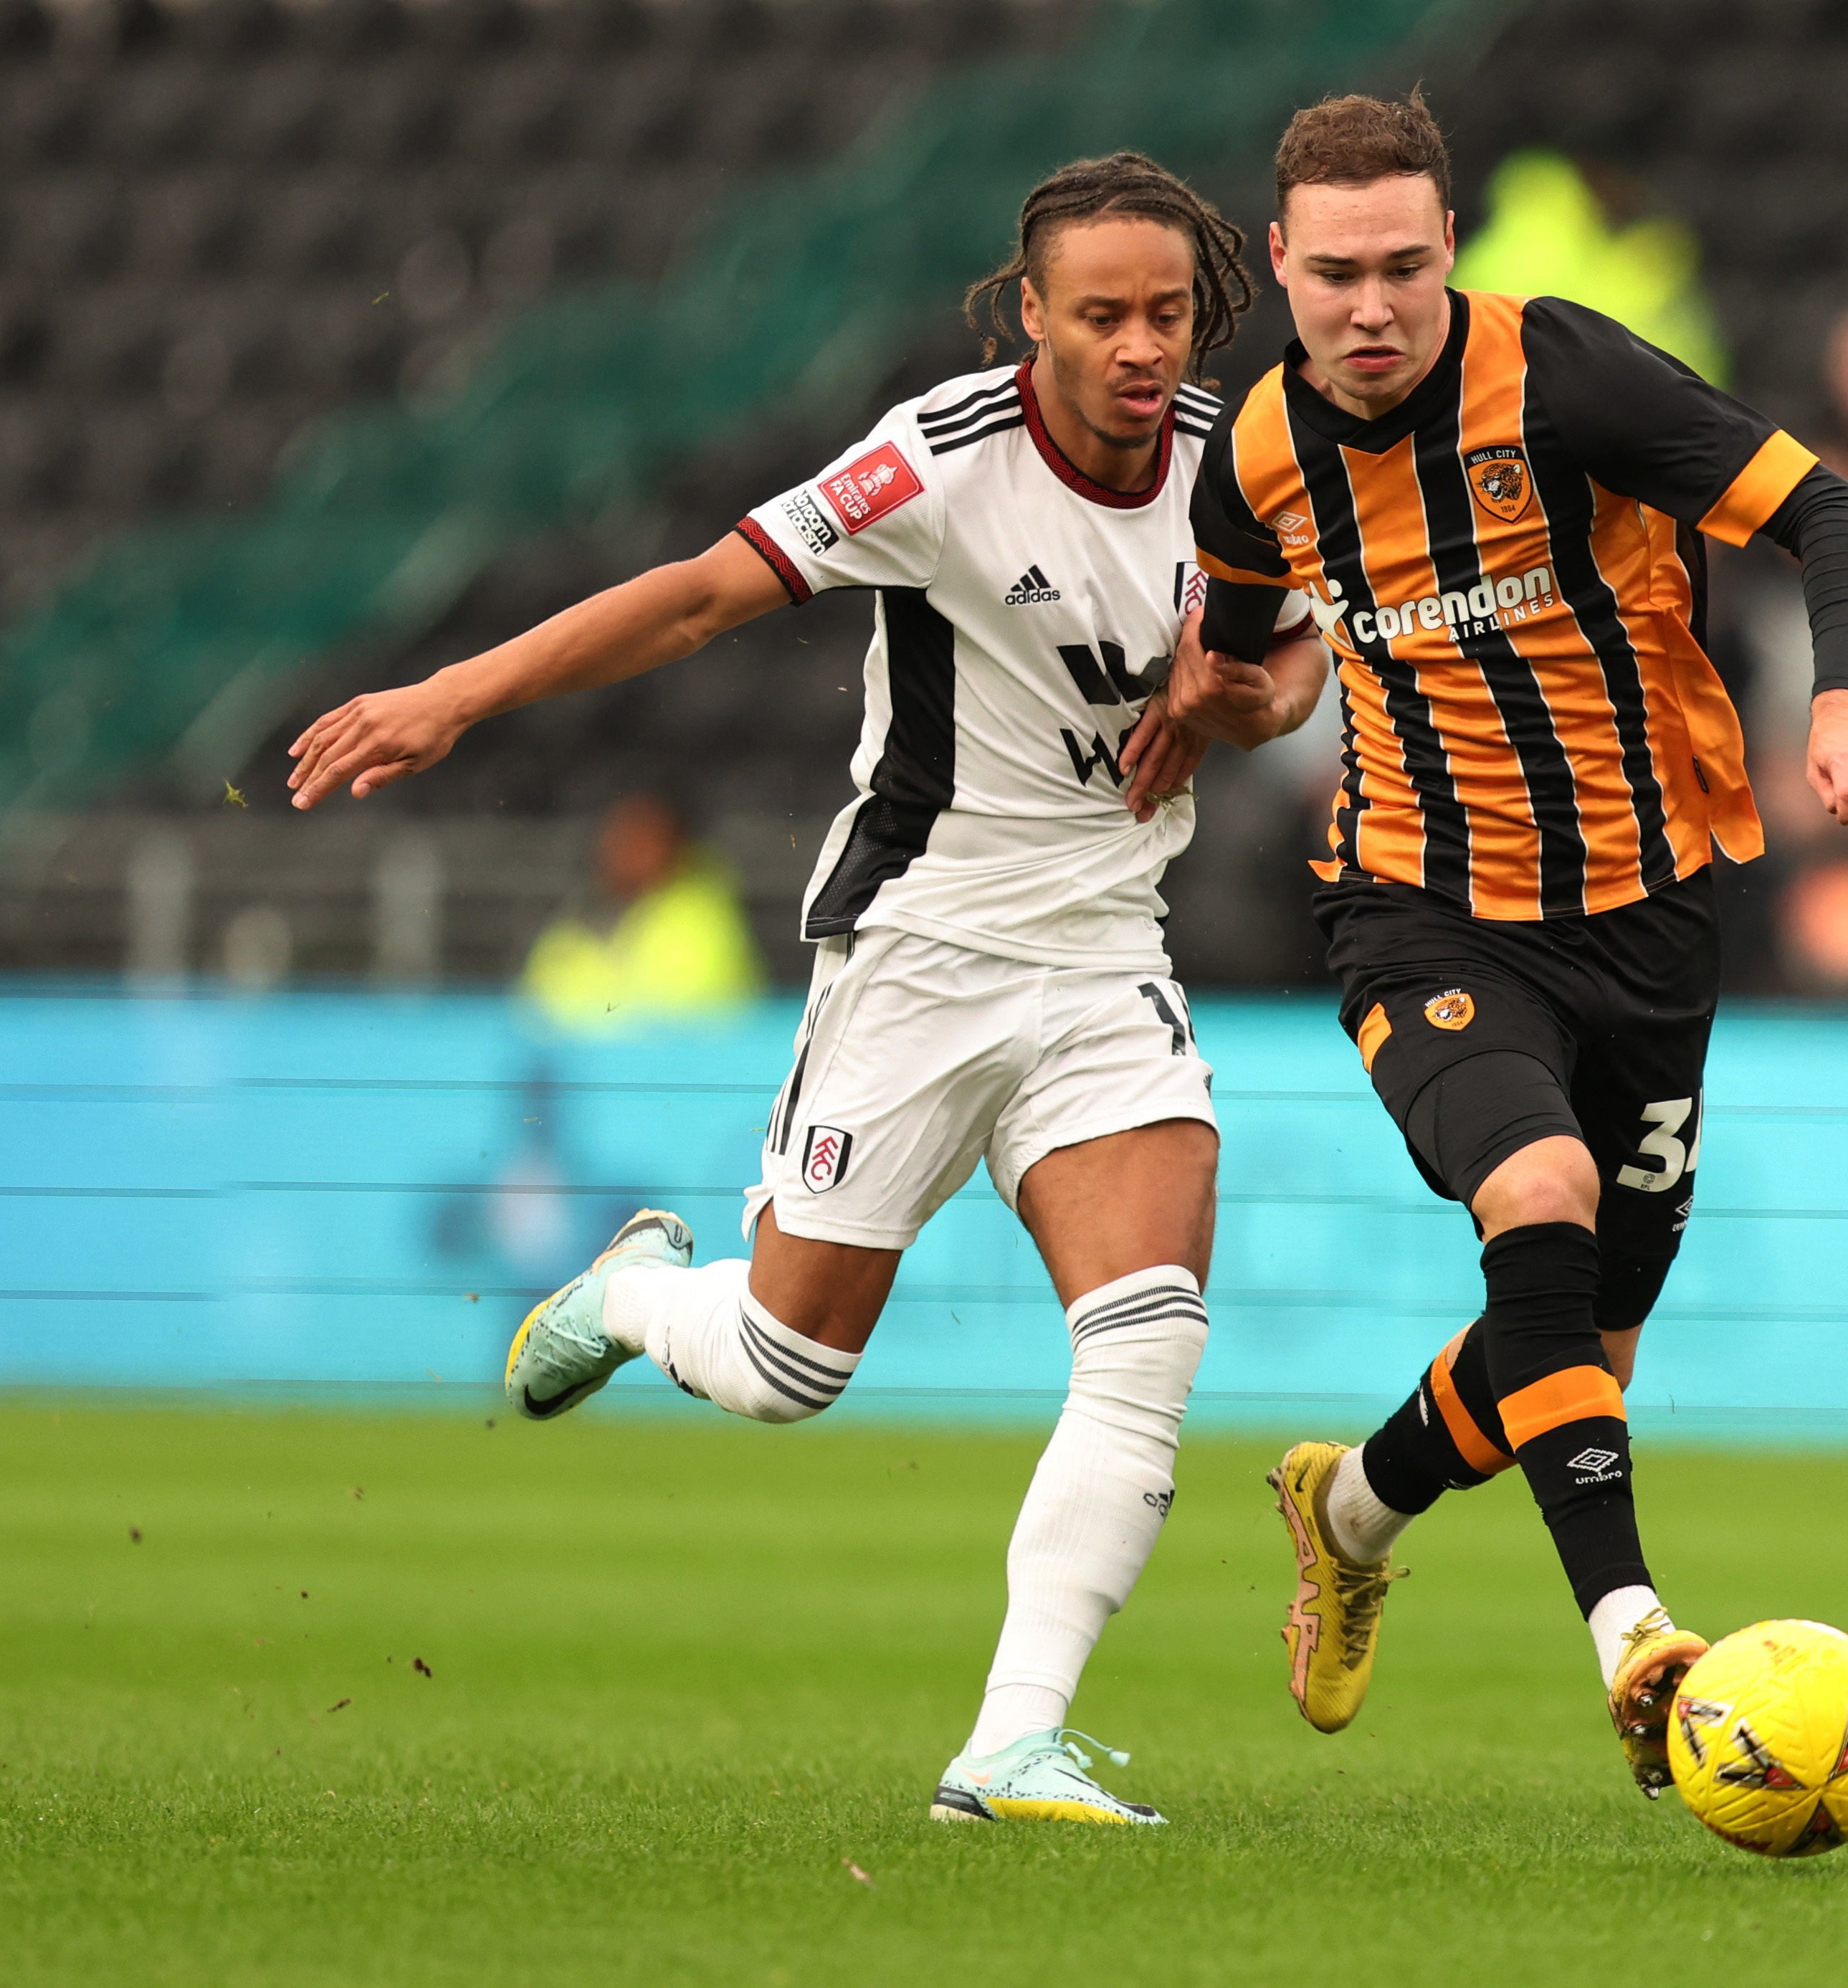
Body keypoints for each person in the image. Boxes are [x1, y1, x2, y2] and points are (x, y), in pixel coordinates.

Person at [282, 154, 1328, 1827]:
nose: (1144, 346)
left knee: (1148, 1338)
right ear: (1032, 318)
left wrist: (1242, 709)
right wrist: (458, 695)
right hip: (916, 950)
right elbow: (701, 595)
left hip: (1104, 952)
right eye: (1104, 315)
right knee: (786, 1369)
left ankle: (1009, 1740)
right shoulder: (938, 460)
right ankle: (632, 1292)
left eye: (1171, 314)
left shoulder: (1246, 464)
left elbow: (1290, 658)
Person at [1164, 90, 1848, 1800]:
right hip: (1417, 900)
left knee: (1571, 1345)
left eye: (1404, 269)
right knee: (1539, 1201)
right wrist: (1211, 705)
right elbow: (1250, 650)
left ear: (1448, 257)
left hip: (1649, 908)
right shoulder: (1256, 452)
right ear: (1278, 264)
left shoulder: (1566, 377)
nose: (1369, 307)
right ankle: (1634, 1635)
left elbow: (1833, 519)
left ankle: (1347, 1507)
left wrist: (1846, 695)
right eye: (1335, 272)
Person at [517, 790, 766, 1030]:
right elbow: (533, 1015)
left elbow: (686, 1018)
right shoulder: (573, 925)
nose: (626, 849)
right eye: (620, 835)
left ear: (674, 845)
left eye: (643, 838)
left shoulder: (702, 918)